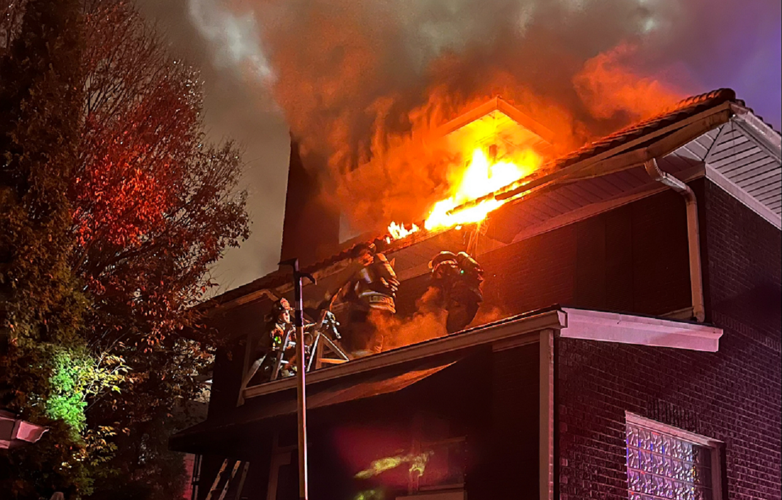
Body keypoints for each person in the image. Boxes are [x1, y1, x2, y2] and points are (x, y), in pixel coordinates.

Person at [336, 242, 399, 355]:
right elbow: (392, 279)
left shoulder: (359, 267)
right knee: (376, 344)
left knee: (362, 345)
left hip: (368, 309)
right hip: (385, 308)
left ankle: (366, 364)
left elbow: (345, 293)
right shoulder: (378, 263)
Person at [236, 298, 293, 405]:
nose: (287, 315)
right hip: (271, 364)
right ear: (277, 314)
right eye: (284, 312)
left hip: (282, 361)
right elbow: (278, 344)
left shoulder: (286, 327)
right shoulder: (273, 328)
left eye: (288, 312)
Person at [428, 251, 484, 333]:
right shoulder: (461, 268)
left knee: (452, 329)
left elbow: (442, 277)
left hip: (459, 299)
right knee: (462, 327)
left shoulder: (444, 265)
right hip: (473, 300)